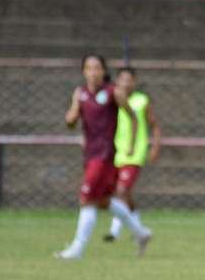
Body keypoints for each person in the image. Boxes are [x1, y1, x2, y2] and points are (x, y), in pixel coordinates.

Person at [59, 55, 151, 260]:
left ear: (103, 71)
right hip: (90, 154)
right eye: (89, 68)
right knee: (103, 201)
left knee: (86, 200)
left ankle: (77, 249)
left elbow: (133, 117)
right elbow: (71, 120)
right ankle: (140, 233)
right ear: (84, 71)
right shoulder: (80, 93)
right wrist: (72, 115)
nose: (93, 72)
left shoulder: (112, 92)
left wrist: (131, 144)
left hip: (105, 154)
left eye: (97, 68)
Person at [104, 67, 160, 244]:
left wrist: (155, 147)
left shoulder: (142, 101)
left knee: (121, 191)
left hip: (135, 153)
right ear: (117, 82)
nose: (126, 83)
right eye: (122, 79)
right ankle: (140, 231)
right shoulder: (114, 102)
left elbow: (154, 125)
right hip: (116, 152)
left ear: (134, 82)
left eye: (129, 79)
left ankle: (114, 232)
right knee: (123, 195)